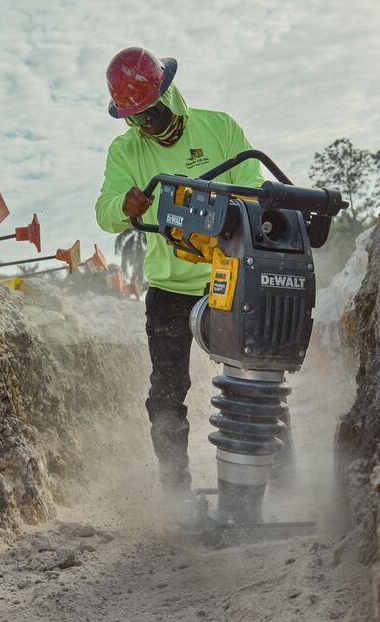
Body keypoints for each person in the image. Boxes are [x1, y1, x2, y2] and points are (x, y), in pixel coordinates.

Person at [95, 47, 264, 497]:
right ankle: (176, 493)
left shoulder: (220, 126)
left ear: (169, 92)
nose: (151, 124)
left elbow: (252, 186)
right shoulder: (125, 151)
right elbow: (105, 211)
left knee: (254, 380)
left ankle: (269, 480)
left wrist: (220, 212)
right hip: (170, 289)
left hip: (229, 274)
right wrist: (124, 205)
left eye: (154, 111)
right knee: (166, 394)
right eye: (140, 119)